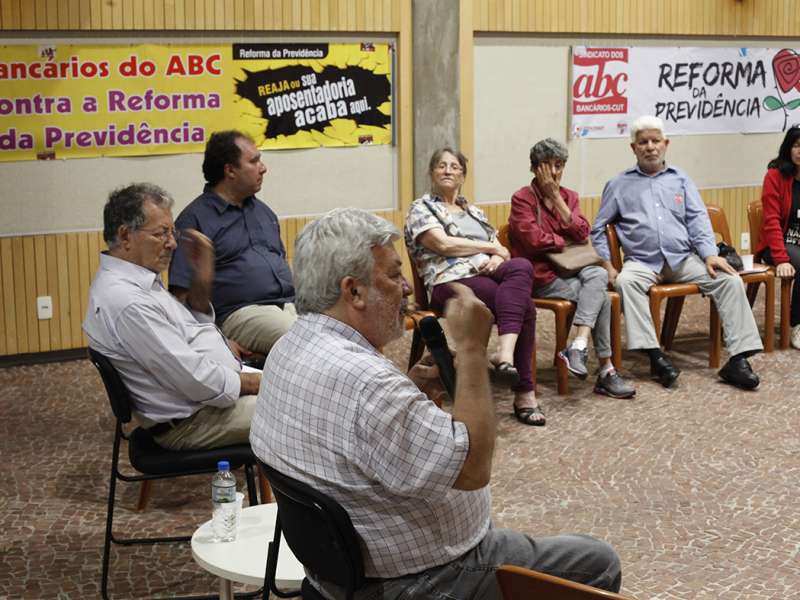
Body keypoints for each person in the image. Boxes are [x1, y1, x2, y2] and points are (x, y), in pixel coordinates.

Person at [249, 207, 622, 600]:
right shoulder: (370, 385)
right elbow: (474, 469)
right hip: (425, 581)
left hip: (336, 578)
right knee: (598, 563)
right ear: (353, 291)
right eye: (394, 274)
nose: (407, 288)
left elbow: (346, 426)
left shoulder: (288, 348)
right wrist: (475, 349)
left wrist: (408, 391)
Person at [84, 183, 261, 450]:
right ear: (125, 236)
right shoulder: (128, 302)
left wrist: (201, 279)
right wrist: (256, 382)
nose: (172, 243)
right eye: (161, 234)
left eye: (172, 232)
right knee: (306, 411)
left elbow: (189, 331)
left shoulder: (137, 280)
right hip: (195, 422)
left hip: (207, 400)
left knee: (305, 394)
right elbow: (193, 378)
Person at [591, 115, 763, 390]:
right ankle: (656, 357)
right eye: (643, 142)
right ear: (633, 148)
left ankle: (739, 360)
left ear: (666, 144)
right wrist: (609, 265)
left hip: (682, 259)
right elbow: (597, 229)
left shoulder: (681, 179)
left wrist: (709, 253)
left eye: (655, 141)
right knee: (626, 282)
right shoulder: (618, 184)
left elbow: (698, 220)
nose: (650, 147)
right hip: (642, 262)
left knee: (729, 280)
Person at [405, 147, 543, 426]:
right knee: (524, 306)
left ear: (463, 176)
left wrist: (495, 255)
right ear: (432, 173)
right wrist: (489, 247)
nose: (447, 171)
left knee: (522, 267)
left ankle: (504, 355)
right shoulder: (421, 208)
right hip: (449, 281)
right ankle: (524, 392)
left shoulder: (475, 212)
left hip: (487, 274)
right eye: (441, 166)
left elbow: (503, 250)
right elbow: (442, 244)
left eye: (454, 167)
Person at [509, 138, 635, 399]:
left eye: (559, 165)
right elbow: (532, 240)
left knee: (598, 275)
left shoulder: (569, 196)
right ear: (535, 168)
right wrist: (562, 240)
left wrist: (556, 198)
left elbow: (581, 232)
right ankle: (606, 370)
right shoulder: (522, 198)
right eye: (547, 166)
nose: (554, 172)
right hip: (541, 276)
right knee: (601, 295)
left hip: (575, 269)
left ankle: (578, 345)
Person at [169, 130, 295, 358]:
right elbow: (181, 302)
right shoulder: (193, 221)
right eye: (254, 161)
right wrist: (218, 339)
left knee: (339, 331)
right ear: (230, 171)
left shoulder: (264, 213)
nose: (263, 167)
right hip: (239, 314)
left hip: (289, 304)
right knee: (304, 340)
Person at [757, 125, 800, 349]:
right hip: (779, 244)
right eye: (796, 145)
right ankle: (797, 324)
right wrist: (781, 258)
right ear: (788, 149)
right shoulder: (775, 176)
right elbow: (771, 221)